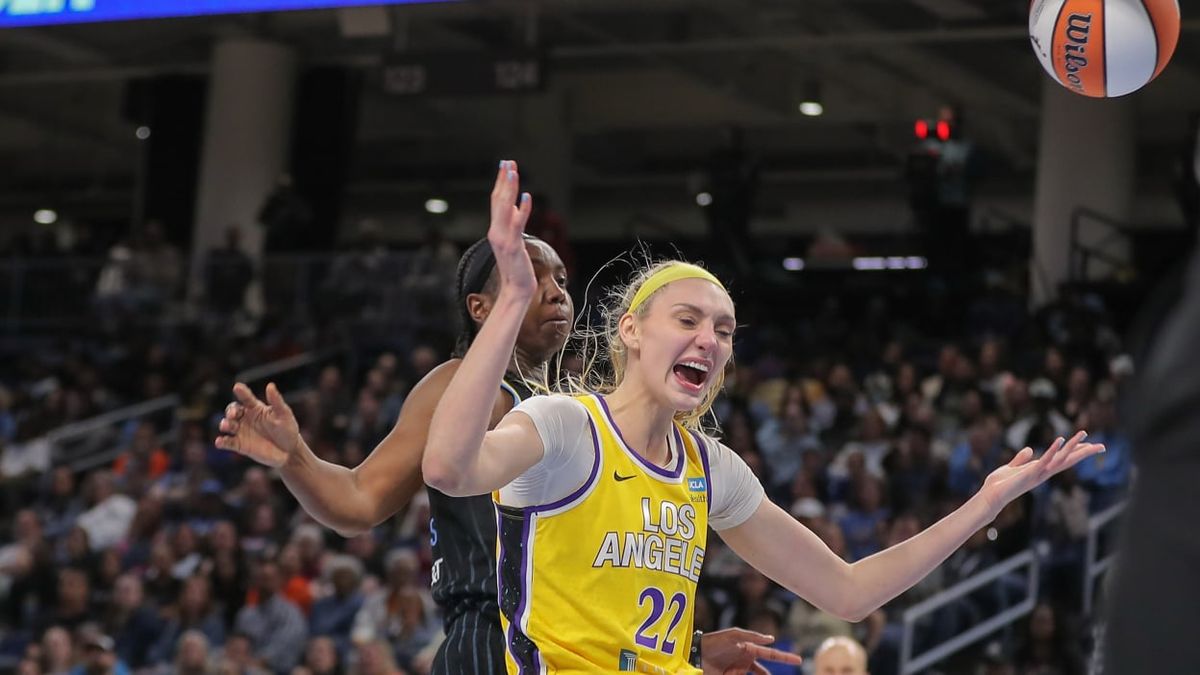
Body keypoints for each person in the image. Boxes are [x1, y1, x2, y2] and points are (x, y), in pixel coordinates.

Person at [420, 160, 1104, 674]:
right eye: (687, 320)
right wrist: (512, 302)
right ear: (630, 330)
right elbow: (449, 467)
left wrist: (984, 503)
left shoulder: (709, 468)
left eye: (723, 330)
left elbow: (849, 591)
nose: (709, 340)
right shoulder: (567, 426)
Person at [217, 161, 799, 674]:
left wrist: (683, 649)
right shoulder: (462, 385)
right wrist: (296, 459)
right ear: (481, 307)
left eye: (561, 280)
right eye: (529, 276)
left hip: (562, 645)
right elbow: (358, 503)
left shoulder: (577, 415)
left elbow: (592, 589)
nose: (555, 291)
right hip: (490, 639)